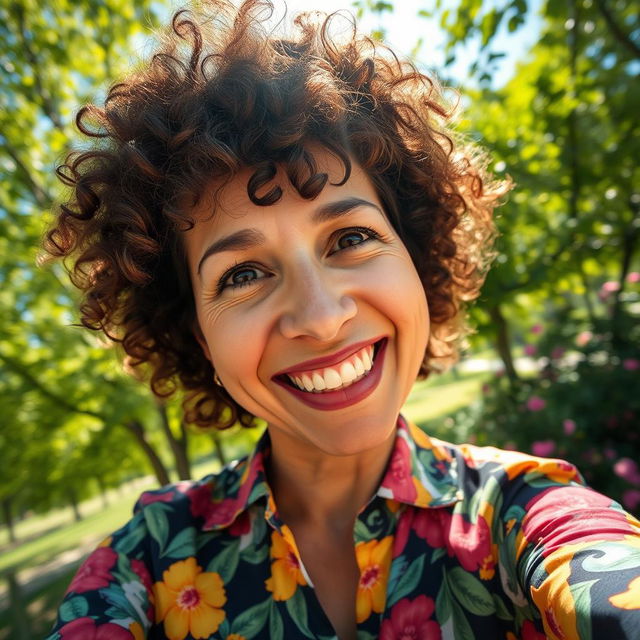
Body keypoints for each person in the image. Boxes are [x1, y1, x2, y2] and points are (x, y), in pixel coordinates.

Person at [43, 1, 640, 639]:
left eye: (350, 237)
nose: (322, 318)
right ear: (199, 337)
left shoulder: (529, 511)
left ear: (413, 258)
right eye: (242, 275)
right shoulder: (143, 560)